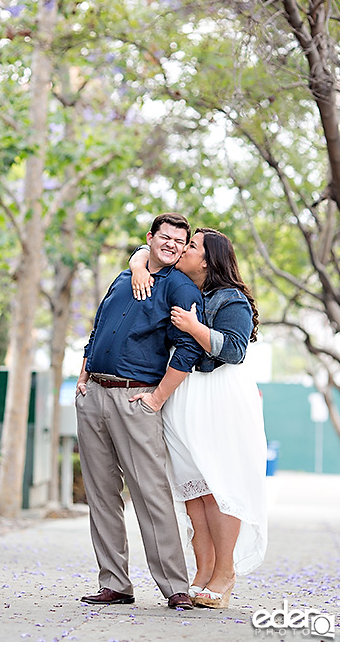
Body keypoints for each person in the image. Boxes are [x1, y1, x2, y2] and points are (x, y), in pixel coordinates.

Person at [130, 228, 268, 609]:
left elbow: (235, 351)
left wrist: (194, 328)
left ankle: (224, 574)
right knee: (195, 490)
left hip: (219, 396)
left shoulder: (231, 299)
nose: (184, 250)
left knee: (220, 485)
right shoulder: (182, 288)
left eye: (191, 246)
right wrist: (138, 261)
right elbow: (145, 252)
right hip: (185, 397)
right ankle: (202, 572)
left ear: (207, 260)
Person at [74, 212, 204, 611]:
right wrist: (82, 376)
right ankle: (115, 583)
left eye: (180, 242)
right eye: (165, 237)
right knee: (100, 494)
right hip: (93, 393)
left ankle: (175, 586)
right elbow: (98, 328)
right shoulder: (123, 276)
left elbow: (189, 348)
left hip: (136, 398)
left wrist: (158, 398)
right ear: (150, 238)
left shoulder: (180, 289)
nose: (172, 245)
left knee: (151, 494)